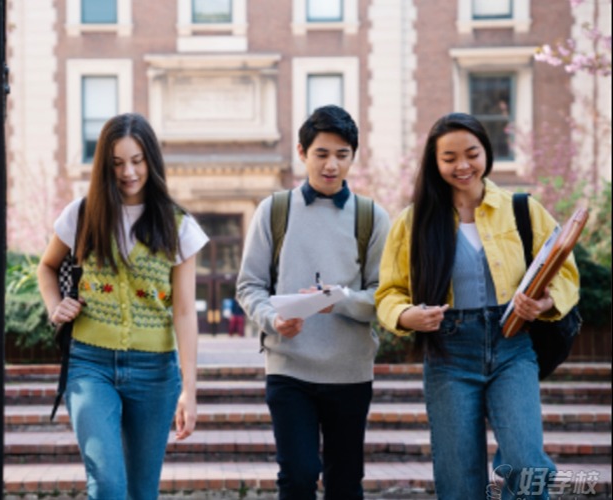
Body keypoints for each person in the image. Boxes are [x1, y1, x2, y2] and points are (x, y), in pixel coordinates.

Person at [375, 112, 580, 500]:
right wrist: (407, 315)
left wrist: (546, 301)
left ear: (487, 152)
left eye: (471, 153)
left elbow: (566, 272)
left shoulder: (523, 209)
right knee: (459, 479)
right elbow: (389, 292)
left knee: (526, 464)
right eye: (449, 158)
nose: (462, 165)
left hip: (513, 347)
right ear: (435, 164)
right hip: (448, 353)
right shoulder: (413, 222)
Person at [37, 113, 208, 500]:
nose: (128, 172)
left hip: (156, 373)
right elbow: (47, 267)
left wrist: (190, 391)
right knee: (109, 487)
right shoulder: (81, 215)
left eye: (137, 160)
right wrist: (55, 306)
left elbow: (184, 313)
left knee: (141, 492)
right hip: (90, 364)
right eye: (116, 163)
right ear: (103, 166)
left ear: (151, 160)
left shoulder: (178, 225)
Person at [236, 105, 391, 499]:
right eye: (321, 153)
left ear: (353, 157)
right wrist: (273, 318)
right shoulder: (274, 210)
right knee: (299, 476)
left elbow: (384, 296)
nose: (332, 165)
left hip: (351, 373)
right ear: (302, 153)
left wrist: (338, 301)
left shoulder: (372, 218)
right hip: (289, 369)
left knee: (344, 482)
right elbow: (249, 285)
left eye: (342, 154)